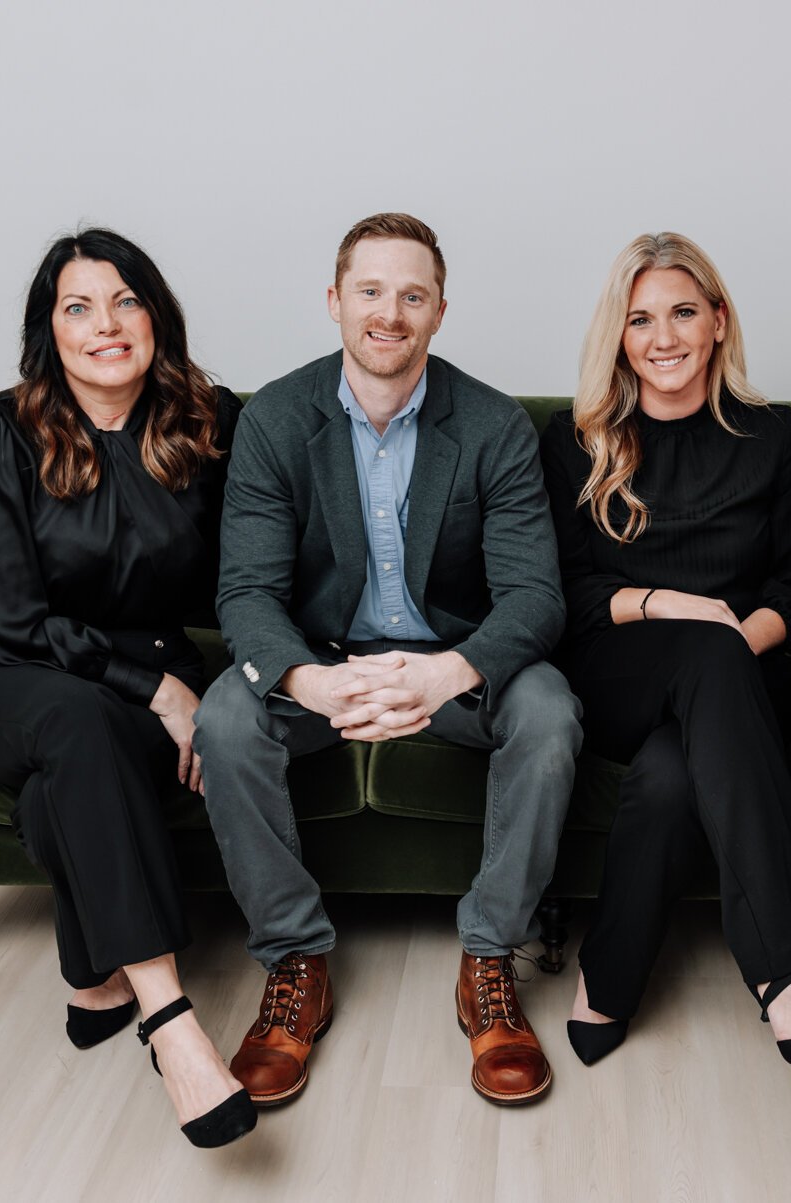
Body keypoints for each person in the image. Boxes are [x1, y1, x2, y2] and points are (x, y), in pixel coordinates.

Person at [194, 212, 581, 1108]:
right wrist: (313, 681)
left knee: (552, 714)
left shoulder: (492, 424)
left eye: (412, 295)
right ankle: (295, 960)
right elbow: (246, 592)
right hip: (322, 661)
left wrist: (446, 672)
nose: (390, 314)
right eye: (371, 291)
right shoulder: (276, 419)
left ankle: (489, 957)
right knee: (223, 716)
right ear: (335, 302)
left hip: (454, 663)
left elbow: (535, 597)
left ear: (440, 311)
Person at [0, 228, 255, 1148]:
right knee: (74, 719)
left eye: (126, 301)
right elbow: (8, 614)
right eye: (78, 306)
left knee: (57, 792)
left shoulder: (209, 420)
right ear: (49, 331)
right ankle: (172, 1022)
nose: (106, 325)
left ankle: (95, 974)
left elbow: (246, 580)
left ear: (156, 316)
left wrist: (224, 687)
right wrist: (154, 687)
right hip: (7, 675)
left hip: (150, 683)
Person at [538, 232, 791, 1081]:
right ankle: (788, 969)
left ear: (718, 321)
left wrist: (728, 636)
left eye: (683, 312)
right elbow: (558, 594)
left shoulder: (773, 440)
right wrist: (664, 604)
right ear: (620, 337)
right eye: (640, 319)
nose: (664, 336)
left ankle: (609, 973)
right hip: (615, 671)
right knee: (700, 661)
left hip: (737, 673)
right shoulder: (577, 440)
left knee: (675, 772)